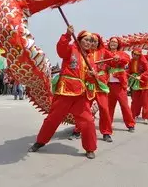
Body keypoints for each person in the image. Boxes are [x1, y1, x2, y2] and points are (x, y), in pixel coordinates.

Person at [28, 26, 98, 159]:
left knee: (88, 121)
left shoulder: (90, 59)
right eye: (86, 39)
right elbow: (61, 49)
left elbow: (91, 79)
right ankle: (40, 142)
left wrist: (92, 75)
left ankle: (90, 148)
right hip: (65, 91)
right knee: (52, 119)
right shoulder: (71, 49)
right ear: (80, 39)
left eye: (91, 40)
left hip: (81, 95)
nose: (89, 42)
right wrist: (67, 35)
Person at [106, 37, 135, 132]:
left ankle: (130, 124)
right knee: (109, 107)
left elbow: (127, 59)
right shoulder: (106, 53)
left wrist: (119, 58)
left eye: (115, 42)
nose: (113, 43)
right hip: (108, 84)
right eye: (111, 41)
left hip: (119, 85)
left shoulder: (122, 53)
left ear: (118, 44)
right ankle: (108, 125)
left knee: (124, 105)